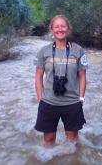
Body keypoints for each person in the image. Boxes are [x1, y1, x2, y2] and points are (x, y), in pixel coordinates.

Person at [34, 14, 88, 147]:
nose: (60, 29)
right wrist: (40, 98)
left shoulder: (78, 50)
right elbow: (38, 76)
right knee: (48, 140)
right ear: (52, 30)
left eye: (63, 26)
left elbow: (82, 76)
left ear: (68, 29)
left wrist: (81, 98)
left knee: (72, 141)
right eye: (56, 27)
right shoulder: (43, 51)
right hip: (48, 102)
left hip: (72, 103)